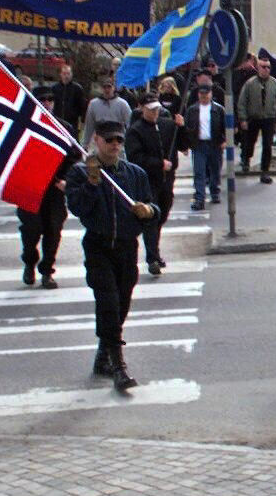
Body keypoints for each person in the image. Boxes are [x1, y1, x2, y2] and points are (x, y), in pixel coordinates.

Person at [65, 119, 160, 391]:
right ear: (96, 140)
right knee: (108, 301)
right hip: (98, 245)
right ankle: (119, 366)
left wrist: (149, 211)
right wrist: (92, 184)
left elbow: (153, 208)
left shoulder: (134, 174)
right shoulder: (81, 173)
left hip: (127, 247)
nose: (115, 145)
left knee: (121, 305)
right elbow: (78, 208)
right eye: (109, 141)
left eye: (119, 140)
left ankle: (102, 355)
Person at [19, 87, 76, 288]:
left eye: (51, 98)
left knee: (53, 231)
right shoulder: (23, 126)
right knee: (31, 231)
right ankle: (29, 263)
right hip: (31, 188)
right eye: (42, 99)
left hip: (54, 189)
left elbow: (72, 158)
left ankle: (47, 271)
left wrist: (65, 179)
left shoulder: (64, 128)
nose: (47, 102)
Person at [127, 93, 188, 276]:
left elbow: (184, 145)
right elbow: (135, 157)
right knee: (151, 218)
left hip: (167, 180)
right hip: (148, 181)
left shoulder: (167, 125)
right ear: (142, 109)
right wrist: (158, 163)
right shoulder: (135, 130)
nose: (155, 112)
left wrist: (182, 127)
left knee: (162, 214)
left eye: (157, 109)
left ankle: (155, 250)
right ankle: (152, 258)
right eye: (151, 109)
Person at [237, 57, 276, 184]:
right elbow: (242, 102)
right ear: (258, 68)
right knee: (249, 142)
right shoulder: (250, 83)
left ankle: (265, 171)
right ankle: (246, 160)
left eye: (268, 67)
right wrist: (243, 118)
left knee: (267, 146)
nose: (266, 69)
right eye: (263, 67)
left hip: (269, 119)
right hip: (253, 118)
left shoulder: (275, 84)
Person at [185, 82, 225, 210]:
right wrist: (187, 144)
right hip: (199, 145)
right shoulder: (192, 110)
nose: (204, 96)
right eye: (201, 94)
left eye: (206, 94)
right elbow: (188, 128)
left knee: (215, 170)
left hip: (215, 144)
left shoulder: (218, 109)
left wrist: (224, 141)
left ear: (211, 94)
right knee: (199, 172)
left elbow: (225, 126)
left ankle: (215, 192)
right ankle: (199, 198)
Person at [81, 77, 132, 148]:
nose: (107, 90)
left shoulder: (122, 104)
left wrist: (131, 142)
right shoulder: (93, 104)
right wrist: (85, 144)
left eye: (109, 87)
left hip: (117, 140)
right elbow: (89, 125)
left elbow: (130, 123)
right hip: (100, 140)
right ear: (102, 89)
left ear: (114, 88)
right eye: (105, 87)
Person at [51, 64, 86, 136]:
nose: (66, 76)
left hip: (72, 123)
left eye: (68, 74)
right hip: (58, 121)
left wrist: (82, 121)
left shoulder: (77, 88)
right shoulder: (54, 88)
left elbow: (82, 107)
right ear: (61, 74)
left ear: (71, 74)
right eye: (64, 74)